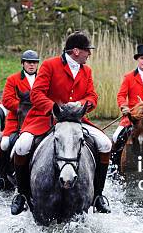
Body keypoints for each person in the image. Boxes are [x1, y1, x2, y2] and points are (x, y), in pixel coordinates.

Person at [9, 31, 112, 215]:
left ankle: (98, 195)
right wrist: (54, 108)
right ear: (76, 51)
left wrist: (80, 105)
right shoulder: (50, 65)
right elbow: (36, 94)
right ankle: (22, 194)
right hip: (45, 119)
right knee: (22, 146)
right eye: (87, 50)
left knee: (105, 143)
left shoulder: (86, 70)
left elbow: (92, 96)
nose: (89, 54)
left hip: (77, 121)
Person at [0, 50, 40, 191]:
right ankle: (2, 176)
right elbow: (7, 100)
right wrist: (23, 106)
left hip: (39, 119)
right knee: (5, 144)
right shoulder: (13, 79)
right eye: (28, 63)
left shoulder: (43, 78)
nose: (31, 65)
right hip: (17, 119)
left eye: (34, 63)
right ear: (23, 64)